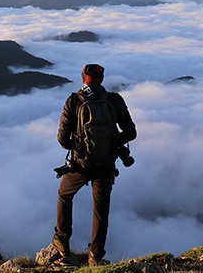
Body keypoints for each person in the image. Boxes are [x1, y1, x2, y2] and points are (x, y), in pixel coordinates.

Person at [53, 64, 137, 266]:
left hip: (80, 165)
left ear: (83, 77)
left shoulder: (74, 101)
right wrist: (113, 142)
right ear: (102, 78)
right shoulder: (114, 100)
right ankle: (95, 256)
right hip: (106, 164)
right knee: (100, 210)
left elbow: (62, 140)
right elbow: (131, 133)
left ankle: (62, 240)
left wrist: (80, 145)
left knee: (65, 195)